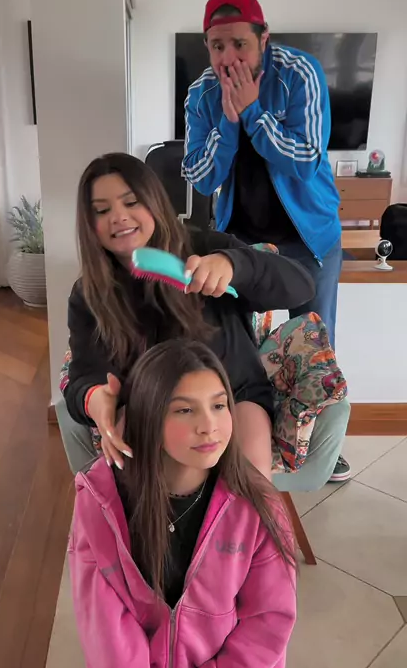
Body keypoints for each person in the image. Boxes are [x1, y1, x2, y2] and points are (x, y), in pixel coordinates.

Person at [69, 339, 297, 668]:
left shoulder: (258, 506)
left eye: (219, 405)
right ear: (148, 418)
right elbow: (106, 634)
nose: (209, 425)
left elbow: (268, 622)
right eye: (185, 410)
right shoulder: (100, 504)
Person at [182, 0, 350, 483]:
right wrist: (229, 122)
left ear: (263, 39)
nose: (228, 58)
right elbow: (201, 177)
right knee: (232, 340)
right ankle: (238, 443)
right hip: (239, 245)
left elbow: (306, 159)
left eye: (240, 43)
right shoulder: (201, 94)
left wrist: (254, 111)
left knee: (314, 340)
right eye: (217, 46)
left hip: (309, 237)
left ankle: (319, 450)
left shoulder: (299, 73)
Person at [63, 152, 314, 480]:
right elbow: (84, 376)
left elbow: (301, 287)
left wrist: (234, 266)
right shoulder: (89, 295)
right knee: (139, 488)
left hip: (233, 397)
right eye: (102, 210)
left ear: (154, 201)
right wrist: (96, 399)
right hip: (150, 407)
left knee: (251, 488)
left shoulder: (206, 247)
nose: (119, 217)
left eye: (131, 202)